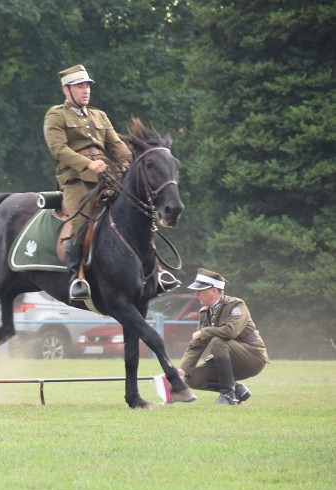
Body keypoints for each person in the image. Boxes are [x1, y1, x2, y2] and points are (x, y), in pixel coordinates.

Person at [43, 64, 180, 301]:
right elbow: (58, 149)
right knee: (82, 218)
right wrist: (87, 164)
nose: (85, 90)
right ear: (67, 90)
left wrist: (128, 161)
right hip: (75, 180)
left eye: (87, 86)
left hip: (107, 176)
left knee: (137, 212)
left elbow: (115, 144)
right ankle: (76, 277)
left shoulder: (99, 116)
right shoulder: (56, 115)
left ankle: (156, 271)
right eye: (79, 86)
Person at [176, 268, 269, 405]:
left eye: (200, 290)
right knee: (193, 378)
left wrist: (204, 332)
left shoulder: (236, 305)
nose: (197, 294)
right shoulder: (205, 312)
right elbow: (197, 344)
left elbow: (231, 331)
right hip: (228, 359)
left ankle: (228, 395)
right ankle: (237, 389)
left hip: (252, 357)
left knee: (217, 341)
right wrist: (182, 369)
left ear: (214, 290)